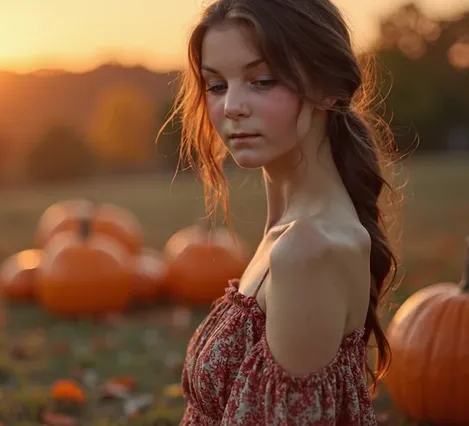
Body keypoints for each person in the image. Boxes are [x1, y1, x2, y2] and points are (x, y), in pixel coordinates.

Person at [159, 0, 401, 424]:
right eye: (216, 86)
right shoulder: (286, 229)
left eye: (262, 80)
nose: (232, 105)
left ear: (328, 87)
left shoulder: (307, 249)